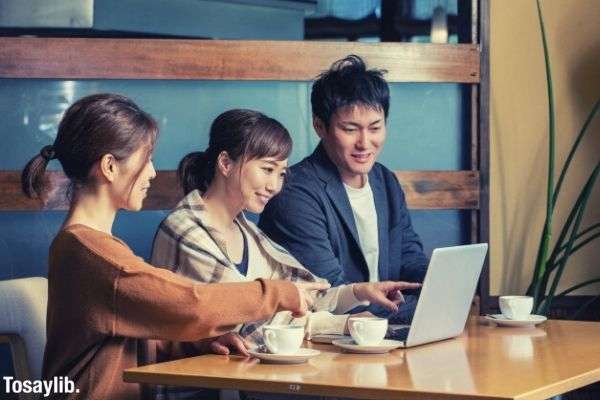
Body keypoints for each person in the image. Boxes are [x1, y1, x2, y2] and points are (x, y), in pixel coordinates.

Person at [21, 94, 324, 400]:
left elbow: (128, 335)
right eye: (146, 159)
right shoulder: (91, 253)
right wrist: (278, 292)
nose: (152, 172)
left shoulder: (88, 246)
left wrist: (196, 344)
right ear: (110, 167)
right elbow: (191, 304)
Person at [151, 109, 421, 350]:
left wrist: (359, 292)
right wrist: (347, 324)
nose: (274, 186)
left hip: (242, 379)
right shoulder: (185, 231)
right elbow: (252, 324)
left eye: (280, 174)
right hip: (195, 387)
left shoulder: (247, 233)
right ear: (225, 163)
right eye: (267, 169)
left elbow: (301, 293)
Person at [259, 55, 430, 323]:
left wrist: (442, 286)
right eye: (350, 129)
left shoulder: (385, 181)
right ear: (320, 126)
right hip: (329, 340)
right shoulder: (294, 193)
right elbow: (331, 295)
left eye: (375, 127)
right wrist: (421, 309)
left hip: (383, 334)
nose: (365, 143)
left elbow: (408, 257)